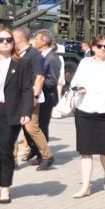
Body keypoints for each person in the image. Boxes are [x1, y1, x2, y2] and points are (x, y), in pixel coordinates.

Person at [70, 34, 105, 198]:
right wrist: (79, 87)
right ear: (93, 47)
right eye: (100, 46)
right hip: (85, 110)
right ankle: (86, 186)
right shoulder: (85, 63)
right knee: (86, 150)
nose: (103, 49)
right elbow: (74, 83)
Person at [0, 28, 33, 203]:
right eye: (0, 40)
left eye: (8, 40)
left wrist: (26, 112)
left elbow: (26, 90)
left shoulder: (21, 64)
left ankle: (4, 189)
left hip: (9, 113)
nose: (4, 43)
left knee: (4, 152)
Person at [12, 27, 53, 169]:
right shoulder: (18, 53)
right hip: (15, 97)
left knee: (31, 128)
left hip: (29, 97)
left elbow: (40, 77)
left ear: (19, 39)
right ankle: (11, 160)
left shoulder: (34, 55)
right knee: (11, 128)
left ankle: (47, 156)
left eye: (12, 38)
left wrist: (35, 95)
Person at [32, 29, 61, 170]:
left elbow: (52, 81)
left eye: (36, 39)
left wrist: (36, 82)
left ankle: (43, 157)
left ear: (43, 42)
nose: (34, 41)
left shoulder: (52, 58)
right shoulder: (39, 55)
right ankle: (36, 151)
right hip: (37, 97)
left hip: (47, 98)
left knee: (42, 127)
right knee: (32, 127)